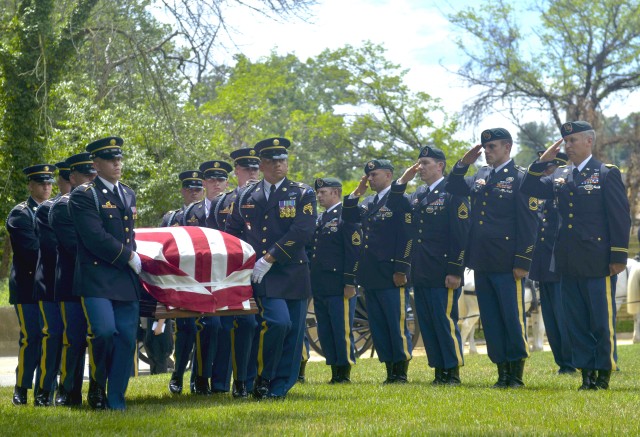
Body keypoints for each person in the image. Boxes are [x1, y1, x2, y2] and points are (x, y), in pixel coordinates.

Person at [521, 121, 631, 390]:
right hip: (567, 261)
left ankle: (603, 372)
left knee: (600, 321)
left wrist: (618, 256)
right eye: (565, 142)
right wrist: (540, 163)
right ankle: (586, 375)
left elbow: (619, 217)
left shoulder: (606, 173)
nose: (568, 146)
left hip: (598, 261)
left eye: (573, 141)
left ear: (589, 141)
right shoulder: (560, 176)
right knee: (576, 322)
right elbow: (529, 189)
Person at [446, 128, 537, 388]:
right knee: (491, 320)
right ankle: (501, 373)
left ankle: (516, 374)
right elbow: (453, 185)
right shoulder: (481, 175)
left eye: (492, 147)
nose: (487, 151)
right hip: (482, 261)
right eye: (485, 147)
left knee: (511, 317)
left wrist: (522, 261)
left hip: (508, 263)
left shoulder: (520, 178)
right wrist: (463, 163)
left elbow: (529, 224)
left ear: (507, 148)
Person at [225, 137, 317, 399]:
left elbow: (303, 230)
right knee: (278, 322)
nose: (279, 165)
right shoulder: (246, 195)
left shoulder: (302, 193)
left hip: (292, 272)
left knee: (293, 332)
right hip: (261, 275)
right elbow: (234, 231)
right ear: (262, 164)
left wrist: (270, 257)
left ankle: (278, 387)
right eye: (272, 161)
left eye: (282, 160)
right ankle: (262, 377)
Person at [68, 137, 142, 410]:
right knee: (103, 332)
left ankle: (116, 399)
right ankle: (98, 384)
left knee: (125, 337)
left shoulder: (128, 193)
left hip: (124, 280)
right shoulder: (85, 195)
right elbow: (94, 237)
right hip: (96, 279)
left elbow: (128, 234)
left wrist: (135, 257)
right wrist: (129, 256)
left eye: (119, 159)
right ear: (96, 164)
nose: (117, 164)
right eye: (111, 160)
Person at [394, 146, 470, 385]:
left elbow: (460, 235)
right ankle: (438, 369)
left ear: (440, 166)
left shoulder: (453, 193)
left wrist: (455, 270)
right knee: (427, 322)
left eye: (425, 163)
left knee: (443, 320)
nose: (420, 168)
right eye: (419, 163)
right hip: (421, 269)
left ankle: (452, 370)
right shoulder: (418, 194)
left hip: (443, 270)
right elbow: (397, 208)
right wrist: (402, 181)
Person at [342, 159, 413, 383]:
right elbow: (348, 218)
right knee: (379, 325)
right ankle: (389, 369)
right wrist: (356, 193)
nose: (370, 179)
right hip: (370, 273)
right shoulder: (369, 202)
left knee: (395, 322)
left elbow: (407, 237)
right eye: (368, 175)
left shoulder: (401, 200)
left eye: (375, 175)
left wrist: (401, 268)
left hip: (391, 272)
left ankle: (400, 371)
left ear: (389, 175)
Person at [212, 148, 261, 398]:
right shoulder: (224, 201)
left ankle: (245, 380)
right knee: (226, 326)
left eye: (255, 168)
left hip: (259, 272)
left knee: (252, 324)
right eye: (247, 169)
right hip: (229, 274)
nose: (252, 173)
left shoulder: (264, 196)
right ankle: (220, 382)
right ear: (237, 172)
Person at [50, 152, 97, 406]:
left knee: (100, 338)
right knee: (74, 340)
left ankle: (98, 392)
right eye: (86, 174)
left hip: (98, 282)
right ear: (73, 177)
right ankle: (68, 391)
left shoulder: (101, 202)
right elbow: (72, 246)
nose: (91, 178)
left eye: (93, 173)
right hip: (71, 284)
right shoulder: (61, 207)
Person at [7, 164, 55, 405]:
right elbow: (32, 250)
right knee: (32, 337)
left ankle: (44, 390)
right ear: (31, 185)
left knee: (50, 337)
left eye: (49, 183)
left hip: (49, 286)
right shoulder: (20, 214)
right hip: (27, 288)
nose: (46, 187)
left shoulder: (56, 210)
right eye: (41, 183)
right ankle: (22, 387)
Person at [309, 177, 361, 383]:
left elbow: (354, 251)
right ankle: (334, 369)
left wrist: (350, 282)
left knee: (341, 329)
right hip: (321, 283)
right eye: (318, 193)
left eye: (324, 192)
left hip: (340, 284)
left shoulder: (346, 215)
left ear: (336, 192)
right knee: (326, 330)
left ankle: (344, 372)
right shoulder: (320, 218)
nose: (319, 196)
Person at [528, 151, 575, 375]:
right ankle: (562, 361)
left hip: (560, 265)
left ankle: (571, 361)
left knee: (562, 315)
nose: (546, 173)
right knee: (551, 317)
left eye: (549, 168)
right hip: (543, 265)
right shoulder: (544, 195)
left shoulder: (565, 191)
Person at [32, 162, 72, 406]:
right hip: (50, 283)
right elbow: (51, 249)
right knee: (53, 336)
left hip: (74, 284)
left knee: (72, 339)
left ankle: (67, 390)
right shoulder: (48, 210)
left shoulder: (84, 207)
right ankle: (44, 390)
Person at [163, 170, 203, 394]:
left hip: (206, 281)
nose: (193, 193)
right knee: (185, 330)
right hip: (180, 282)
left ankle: (199, 378)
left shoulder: (209, 214)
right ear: (183, 191)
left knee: (205, 330)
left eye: (197, 189)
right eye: (189, 189)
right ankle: (178, 374)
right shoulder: (171, 218)